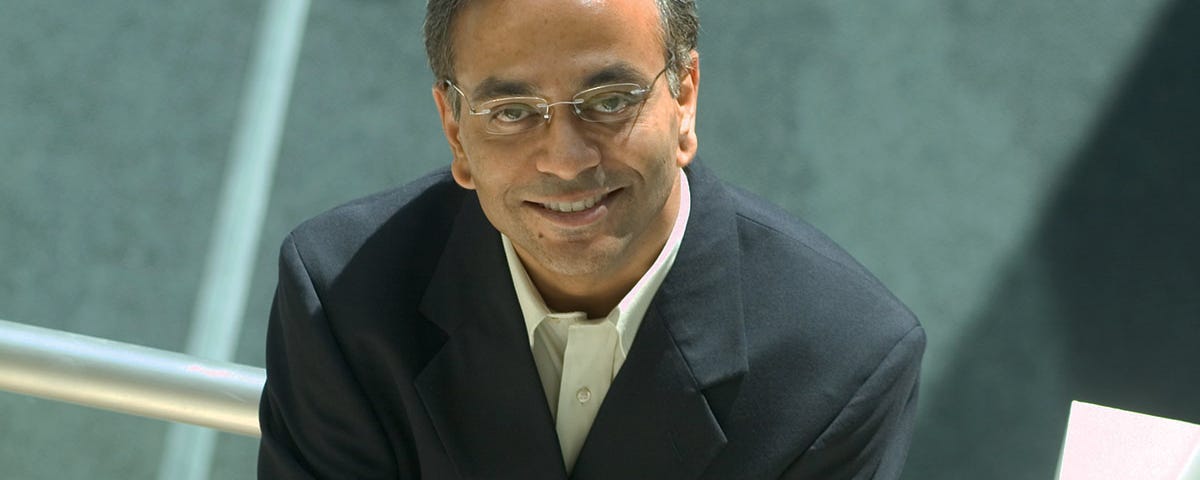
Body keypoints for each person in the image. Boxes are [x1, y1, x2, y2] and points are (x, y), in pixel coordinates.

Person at [257, 0, 925, 478]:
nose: (566, 160)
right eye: (512, 113)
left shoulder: (842, 363)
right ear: (455, 130)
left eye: (608, 100)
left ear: (685, 97)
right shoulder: (341, 299)